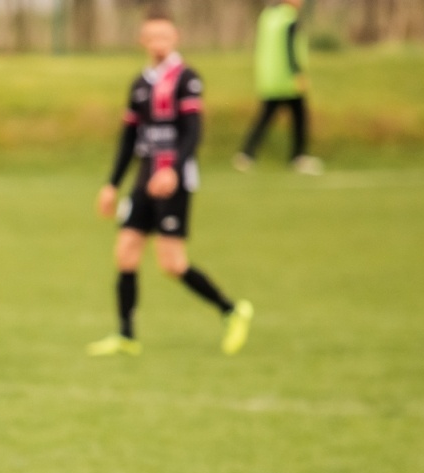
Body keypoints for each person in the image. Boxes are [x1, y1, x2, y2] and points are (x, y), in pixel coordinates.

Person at [87, 10, 255, 359]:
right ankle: (126, 335)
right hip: (144, 178)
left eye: (165, 36)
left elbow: (194, 132)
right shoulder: (140, 83)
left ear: (175, 38)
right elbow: (129, 137)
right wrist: (111, 184)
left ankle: (231, 310)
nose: (159, 43)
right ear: (142, 41)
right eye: (153, 37)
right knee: (126, 252)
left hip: (173, 180)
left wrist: (174, 168)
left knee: (172, 263)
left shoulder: (186, 78)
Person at [235, 0, 323, 175]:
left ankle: (246, 154)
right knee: (300, 118)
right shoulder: (289, 18)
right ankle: (299, 156)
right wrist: (297, 73)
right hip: (287, 79)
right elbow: (290, 48)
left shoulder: (267, 16)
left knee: (265, 117)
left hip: (269, 78)